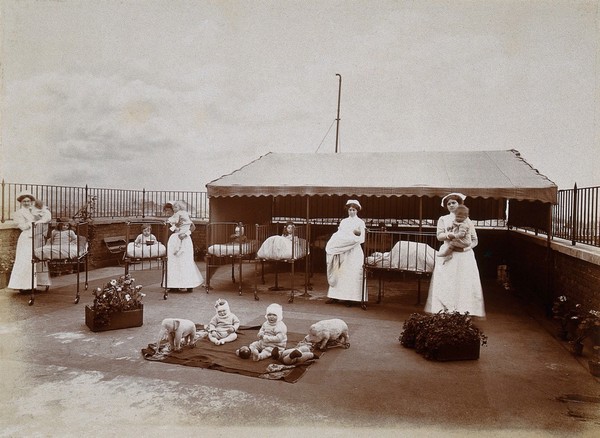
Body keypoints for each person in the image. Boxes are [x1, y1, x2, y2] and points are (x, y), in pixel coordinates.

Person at [425, 193, 485, 317]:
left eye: (454, 203)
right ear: (446, 206)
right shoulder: (443, 219)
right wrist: (449, 236)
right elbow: (439, 236)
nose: (451, 205)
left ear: (459, 204)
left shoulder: (467, 219)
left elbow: (475, 240)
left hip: (464, 256)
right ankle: (444, 311)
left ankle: (463, 311)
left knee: (463, 282)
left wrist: (465, 248)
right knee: (446, 281)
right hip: (449, 253)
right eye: (449, 203)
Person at [325, 199, 366, 307]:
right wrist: (339, 242)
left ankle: (350, 299)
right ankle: (335, 297)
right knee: (339, 273)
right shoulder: (344, 222)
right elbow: (339, 234)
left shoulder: (360, 222)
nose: (351, 212)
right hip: (342, 250)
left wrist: (349, 240)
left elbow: (361, 239)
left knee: (352, 274)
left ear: (357, 210)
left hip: (354, 252)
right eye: (349, 210)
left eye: (353, 210)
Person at [164, 201, 203, 293]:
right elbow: (169, 231)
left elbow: (192, 227)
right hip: (174, 240)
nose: (168, 212)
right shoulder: (171, 219)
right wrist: (173, 227)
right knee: (174, 263)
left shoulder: (183, 216)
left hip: (185, 240)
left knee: (185, 262)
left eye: (170, 210)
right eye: (166, 211)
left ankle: (188, 284)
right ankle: (174, 285)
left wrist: (186, 234)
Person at [8, 192, 39, 291]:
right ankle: (22, 286)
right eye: (24, 201)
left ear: (31, 202)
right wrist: (32, 222)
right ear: (21, 202)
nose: (26, 203)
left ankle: (34, 284)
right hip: (26, 238)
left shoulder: (34, 211)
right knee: (25, 260)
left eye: (28, 201)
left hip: (36, 236)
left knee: (36, 260)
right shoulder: (18, 213)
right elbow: (23, 226)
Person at [31, 198, 52, 288]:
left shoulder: (46, 212)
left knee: (40, 258)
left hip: (39, 237)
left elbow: (46, 220)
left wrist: (38, 221)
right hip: (32, 236)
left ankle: (42, 281)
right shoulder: (32, 211)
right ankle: (30, 282)